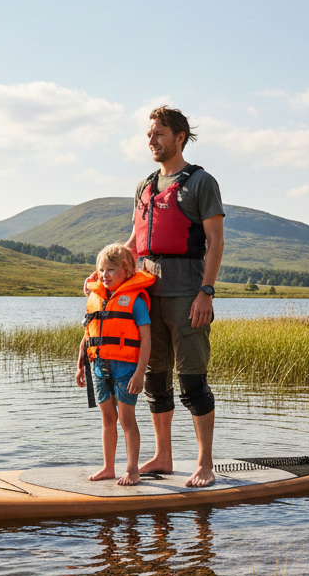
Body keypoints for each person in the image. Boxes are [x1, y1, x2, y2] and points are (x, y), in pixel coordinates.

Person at [123, 105, 225, 488]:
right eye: (149, 134)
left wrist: (206, 293)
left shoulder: (201, 182)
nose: (152, 141)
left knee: (193, 381)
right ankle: (163, 456)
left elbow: (215, 243)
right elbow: (136, 241)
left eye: (159, 134)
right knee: (155, 377)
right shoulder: (145, 186)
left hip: (187, 294)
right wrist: (104, 274)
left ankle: (204, 464)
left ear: (179, 137)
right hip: (148, 296)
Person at [75, 244, 154, 486]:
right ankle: (108, 468)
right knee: (107, 418)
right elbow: (89, 334)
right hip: (98, 366)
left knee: (126, 420)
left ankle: (132, 469)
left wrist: (140, 373)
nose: (105, 274)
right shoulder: (96, 298)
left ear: (128, 271)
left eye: (111, 269)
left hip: (126, 369)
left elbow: (146, 339)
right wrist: (81, 364)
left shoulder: (135, 301)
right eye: (101, 270)